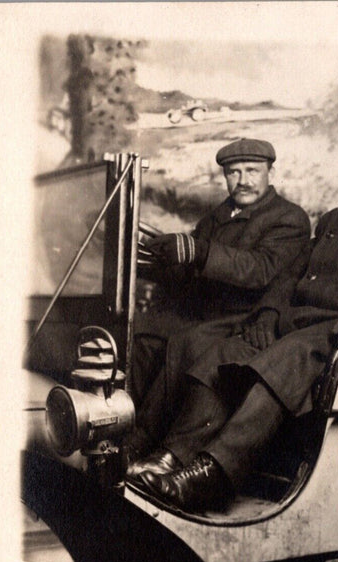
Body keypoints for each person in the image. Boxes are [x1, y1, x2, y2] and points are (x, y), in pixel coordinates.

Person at [128, 98, 338, 513]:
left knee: (288, 355)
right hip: (300, 325)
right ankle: (173, 457)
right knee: (221, 352)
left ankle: (212, 474)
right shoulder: (335, 218)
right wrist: (270, 312)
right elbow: (290, 273)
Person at [128, 137, 311, 460]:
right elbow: (190, 272)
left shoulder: (289, 218)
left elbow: (261, 270)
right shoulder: (216, 217)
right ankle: (125, 432)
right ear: (224, 176)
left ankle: (151, 445)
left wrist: (198, 250)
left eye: (252, 171)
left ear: (270, 171)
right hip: (205, 314)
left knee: (187, 343)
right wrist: (156, 263)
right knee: (142, 336)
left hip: (248, 319)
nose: (243, 180)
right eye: (233, 173)